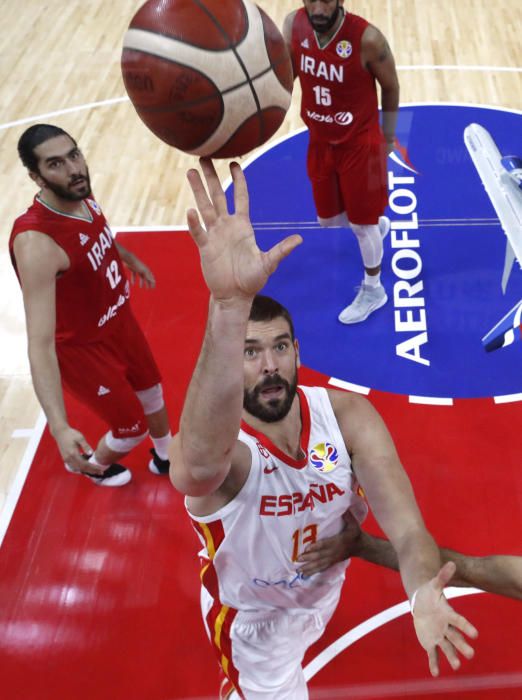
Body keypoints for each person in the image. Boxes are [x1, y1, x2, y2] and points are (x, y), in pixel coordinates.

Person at [169, 159, 480, 699]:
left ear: (297, 353)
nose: (269, 365)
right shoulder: (231, 452)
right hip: (253, 624)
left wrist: (422, 592)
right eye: (250, 352)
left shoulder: (347, 418)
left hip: (319, 593)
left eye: (279, 348)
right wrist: (228, 306)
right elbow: (193, 469)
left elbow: (407, 531)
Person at [9, 124, 172, 486]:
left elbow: (98, 232)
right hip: (82, 349)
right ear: (37, 177)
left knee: (152, 389)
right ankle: (91, 466)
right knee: (131, 428)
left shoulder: (79, 193)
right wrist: (59, 425)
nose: (73, 169)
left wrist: (125, 257)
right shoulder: (36, 243)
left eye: (74, 154)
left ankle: (165, 456)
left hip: (117, 320)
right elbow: (39, 342)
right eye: (56, 164)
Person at [282, 0, 400, 324]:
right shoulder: (293, 25)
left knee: (362, 226)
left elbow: (391, 86)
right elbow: (286, 76)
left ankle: (374, 289)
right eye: (312, 0)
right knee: (328, 221)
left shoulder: (368, 39)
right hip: (320, 140)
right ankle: (376, 228)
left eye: (325, 0)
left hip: (360, 145)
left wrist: (388, 139)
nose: (318, 8)